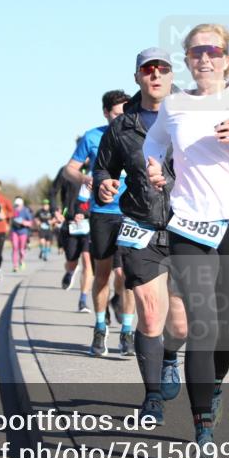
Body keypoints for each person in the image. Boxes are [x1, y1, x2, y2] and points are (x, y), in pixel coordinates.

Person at [144, 24, 229, 457]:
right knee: (202, 324)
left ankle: (214, 385)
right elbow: (153, 144)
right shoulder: (174, 104)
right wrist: (155, 168)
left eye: (213, 50)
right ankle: (203, 431)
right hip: (190, 224)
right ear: (188, 59)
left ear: (227, 57)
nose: (204, 58)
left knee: (228, 324)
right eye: (196, 52)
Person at [95, 47, 189, 422]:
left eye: (162, 69)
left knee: (179, 322)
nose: (155, 74)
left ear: (170, 75)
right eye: (148, 69)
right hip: (142, 225)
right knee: (150, 315)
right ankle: (151, 397)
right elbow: (104, 170)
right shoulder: (122, 126)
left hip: (187, 225)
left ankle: (170, 356)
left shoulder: (191, 114)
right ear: (137, 77)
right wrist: (103, 184)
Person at [65, 90, 137, 354]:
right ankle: (99, 327)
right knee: (103, 272)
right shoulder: (92, 136)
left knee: (128, 275)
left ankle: (127, 332)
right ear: (106, 113)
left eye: (126, 113)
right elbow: (69, 169)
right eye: (117, 114)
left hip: (133, 212)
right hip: (103, 212)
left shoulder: (140, 133)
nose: (122, 118)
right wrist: (84, 178)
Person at [52, 162, 94, 312]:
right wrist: (55, 211)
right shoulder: (66, 171)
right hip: (70, 222)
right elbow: (53, 191)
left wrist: (87, 213)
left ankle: (83, 301)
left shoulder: (96, 170)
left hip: (89, 223)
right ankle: (70, 271)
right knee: (71, 261)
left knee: (88, 261)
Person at [10, 196, 34, 271]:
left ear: (22, 205)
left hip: (23, 231)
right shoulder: (13, 210)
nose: (17, 207)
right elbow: (9, 218)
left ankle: (21, 260)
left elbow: (31, 223)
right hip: (14, 231)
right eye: (15, 205)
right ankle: (15, 266)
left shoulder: (25, 211)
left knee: (21, 249)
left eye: (18, 205)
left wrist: (24, 222)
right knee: (15, 247)